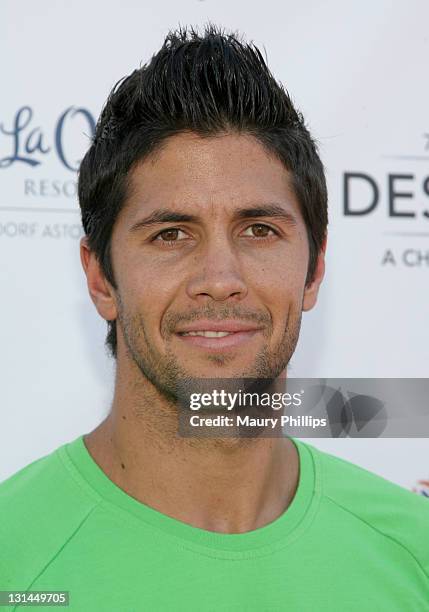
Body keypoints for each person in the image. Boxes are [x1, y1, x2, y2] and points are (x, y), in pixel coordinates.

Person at [1, 24, 428, 611]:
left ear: (314, 268)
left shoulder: (412, 551)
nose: (220, 280)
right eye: (172, 234)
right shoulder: (13, 556)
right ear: (101, 277)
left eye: (259, 231)